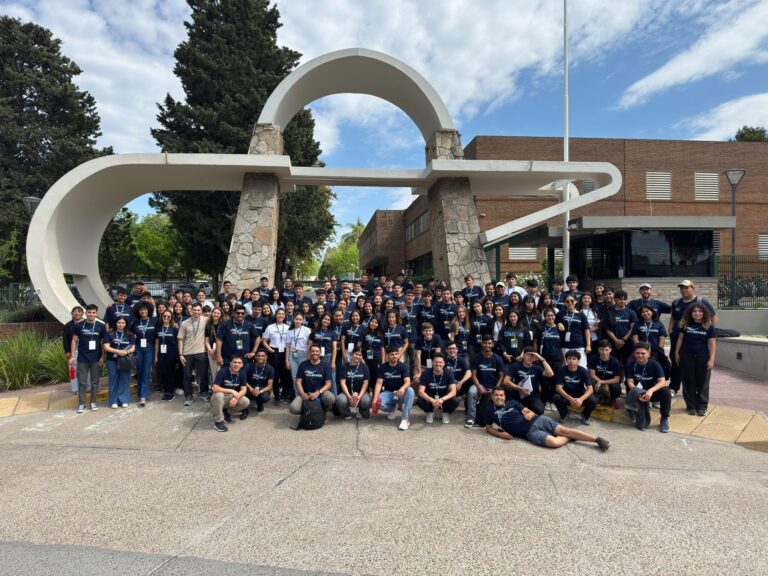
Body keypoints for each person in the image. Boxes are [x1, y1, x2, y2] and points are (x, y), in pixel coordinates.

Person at [485, 387, 611, 450]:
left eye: (501, 395)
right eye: (496, 395)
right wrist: (500, 434)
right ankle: (571, 437)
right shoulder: (489, 410)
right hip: (530, 433)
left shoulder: (512, 403)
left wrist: (529, 414)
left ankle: (597, 440)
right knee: (554, 443)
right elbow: (489, 428)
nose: (499, 397)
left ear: (505, 397)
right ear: (492, 396)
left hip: (539, 420)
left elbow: (529, 412)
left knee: (565, 430)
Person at [668, 280, 717, 397]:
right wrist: (670, 330)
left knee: (694, 365)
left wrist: (706, 332)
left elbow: (713, 318)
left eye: (686, 288)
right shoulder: (676, 303)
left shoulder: (701, 302)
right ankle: (673, 387)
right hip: (678, 339)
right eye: (682, 288)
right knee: (676, 362)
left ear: (693, 288)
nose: (684, 290)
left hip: (695, 341)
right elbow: (673, 318)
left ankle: (695, 389)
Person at [674, 304, 717, 417]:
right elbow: (680, 339)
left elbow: (712, 344)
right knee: (688, 381)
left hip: (703, 357)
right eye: (694, 311)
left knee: (703, 382)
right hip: (686, 356)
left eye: (699, 311)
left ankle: (702, 406)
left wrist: (712, 359)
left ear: (704, 313)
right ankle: (691, 406)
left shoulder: (709, 326)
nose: (697, 313)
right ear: (690, 313)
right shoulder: (686, 325)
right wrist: (676, 352)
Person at [625, 342, 671, 432]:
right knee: (629, 387)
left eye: (643, 353)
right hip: (639, 392)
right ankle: (633, 411)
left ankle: (664, 419)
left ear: (648, 354)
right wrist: (639, 392)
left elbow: (662, 382)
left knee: (666, 391)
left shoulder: (655, 364)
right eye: (637, 353)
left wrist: (651, 390)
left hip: (651, 393)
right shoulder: (630, 364)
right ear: (634, 354)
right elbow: (629, 382)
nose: (640, 355)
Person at [69, 304, 106, 413]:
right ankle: (81, 404)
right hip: (82, 358)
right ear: (86, 313)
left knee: (95, 382)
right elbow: (73, 341)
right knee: (82, 382)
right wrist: (72, 356)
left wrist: (102, 356)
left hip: (96, 358)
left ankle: (93, 402)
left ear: (96, 314)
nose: (91, 314)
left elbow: (104, 342)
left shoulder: (101, 326)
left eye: (93, 312)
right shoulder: (79, 325)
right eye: (89, 312)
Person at [466, 335, 506, 428]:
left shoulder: (498, 358)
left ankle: (499, 417)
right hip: (480, 384)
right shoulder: (476, 357)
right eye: (485, 343)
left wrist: (496, 389)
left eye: (489, 343)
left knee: (501, 395)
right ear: (481, 344)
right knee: (471, 392)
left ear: (492, 344)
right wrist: (479, 387)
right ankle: (471, 418)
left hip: (494, 385)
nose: (487, 345)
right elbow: (473, 375)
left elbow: (501, 376)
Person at [372, 347, 415, 431]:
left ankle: (405, 419)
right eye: (392, 354)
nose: (394, 356)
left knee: (410, 390)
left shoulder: (404, 366)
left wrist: (402, 388)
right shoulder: (383, 367)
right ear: (387, 356)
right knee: (378, 402)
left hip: (401, 393)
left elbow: (408, 381)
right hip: (389, 393)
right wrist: (374, 398)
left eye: (396, 354)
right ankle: (393, 408)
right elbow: (379, 383)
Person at [177, 302, 211, 406]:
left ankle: (204, 392)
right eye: (194, 310)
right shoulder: (184, 323)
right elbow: (180, 339)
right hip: (187, 353)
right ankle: (188, 395)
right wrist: (181, 354)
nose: (196, 312)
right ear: (190, 310)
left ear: (201, 311)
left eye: (198, 310)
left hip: (201, 352)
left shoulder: (206, 320)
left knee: (203, 374)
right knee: (187, 375)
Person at [289, 344, 335, 416]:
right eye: (313, 351)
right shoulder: (303, 365)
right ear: (310, 352)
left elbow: (329, 383)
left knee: (330, 398)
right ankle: (307, 413)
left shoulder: (326, 365)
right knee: (293, 408)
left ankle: (323, 412)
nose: (315, 353)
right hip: (306, 393)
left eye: (317, 351)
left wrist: (318, 392)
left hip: (320, 393)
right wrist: (303, 394)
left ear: (320, 352)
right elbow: (298, 382)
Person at [552, 350, 597, 425]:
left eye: (574, 359)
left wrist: (581, 399)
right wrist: (570, 398)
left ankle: (585, 416)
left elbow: (590, 389)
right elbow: (558, 388)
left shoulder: (583, 371)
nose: (571, 361)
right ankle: (565, 414)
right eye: (569, 359)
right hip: (567, 395)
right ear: (566, 360)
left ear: (578, 361)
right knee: (555, 397)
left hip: (580, 394)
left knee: (593, 400)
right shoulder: (561, 370)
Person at [504, 347, 553, 415]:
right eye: (528, 355)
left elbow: (550, 374)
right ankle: (520, 407)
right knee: (507, 389)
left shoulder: (537, 368)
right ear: (523, 355)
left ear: (535, 358)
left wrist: (541, 358)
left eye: (532, 356)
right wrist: (520, 388)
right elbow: (506, 381)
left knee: (540, 410)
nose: (530, 357)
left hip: (533, 394)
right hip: (518, 393)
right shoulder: (515, 366)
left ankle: (527, 408)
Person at [211, 354, 250, 432]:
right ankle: (218, 422)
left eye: (239, 363)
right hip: (219, 398)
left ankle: (224, 412)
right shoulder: (222, 371)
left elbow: (244, 389)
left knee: (246, 402)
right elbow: (214, 388)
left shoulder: (242, 373)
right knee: (219, 395)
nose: (236, 364)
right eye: (234, 362)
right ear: (230, 363)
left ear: (242, 365)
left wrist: (237, 397)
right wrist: (231, 390)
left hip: (232, 397)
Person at [416, 353, 458, 424]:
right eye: (436, 362)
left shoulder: (449, 373)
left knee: (455, 400)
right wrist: (432, 400)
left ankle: (445, 413)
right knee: (420, 401)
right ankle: (430, 412)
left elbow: (454, 391)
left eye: (440, 362)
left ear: (444, 363)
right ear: (432, 363)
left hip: (443, 396)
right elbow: (420, 391)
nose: (438, 364)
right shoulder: (426, 373)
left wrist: (442, 399)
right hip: (431, 396)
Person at [103, 316, 135, 409]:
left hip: (125, 360)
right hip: (112, 360)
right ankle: (113, 401)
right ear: (116, 323)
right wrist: (118, 352)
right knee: (113, 380)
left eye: (123, 323)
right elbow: (106, 347)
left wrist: (127, 352)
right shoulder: (109, 333)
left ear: (126, 324)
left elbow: (133, 347)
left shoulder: (129, 334)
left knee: (125, 379)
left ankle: (124, 400)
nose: (121, 324)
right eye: (119, 323)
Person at [262, 308, 292, 404]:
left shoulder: (288, 327)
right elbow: (264, 341)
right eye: (279, 314)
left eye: (282, 314)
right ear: (275, 315)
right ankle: (277, 397)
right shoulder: (270, 327)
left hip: (285, 353)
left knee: (286, 376)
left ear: (285, 316)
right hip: (273, 352)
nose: (280, 316)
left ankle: (284, 395)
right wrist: (270, 349)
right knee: (275, 375)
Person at [602, 290, 637, 369]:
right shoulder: (610, 312)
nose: (622, 301)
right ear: (615, 299)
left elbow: (633, 328)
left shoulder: (631, 312)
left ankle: (626, 380)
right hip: (613, 343)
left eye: (624, 299)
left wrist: (623, 339)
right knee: (614, 363)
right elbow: (607, 329)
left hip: (627, 342)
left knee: (627, 363)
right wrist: (616, 340)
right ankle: (615, 380)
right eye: (620, 299)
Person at [131, 302, 157, 406]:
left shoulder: (154, 321)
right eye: (141, 310)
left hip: (149, 347)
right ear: (138, 311)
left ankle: (143, 396)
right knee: (139, 370)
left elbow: (158, 336)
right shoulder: (135, 323)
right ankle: (141, 393)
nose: (143, 311)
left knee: (146, 371)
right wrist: (133, 336)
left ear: (149, 310)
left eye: (145, 309)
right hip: (138, 348)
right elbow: (130, 334)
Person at [336, 349, 372, 420]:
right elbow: (342, 383)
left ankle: (362, 412)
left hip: (361, 393)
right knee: (340, 399)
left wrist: (359, 397)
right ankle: (346, 413)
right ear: (351, 355)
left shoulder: (364, 367)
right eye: (356, 354)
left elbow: (365, 383)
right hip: (348, 392)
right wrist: (349, 397)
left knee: (367, 400)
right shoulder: (344, 366)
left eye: (360, 355)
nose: (358, 356)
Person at [556, 295, 590, 366]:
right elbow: (553, 324)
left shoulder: (581, 315)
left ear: (575, 302)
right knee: (566, 366)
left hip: (579, 345)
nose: (570, 303)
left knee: (581, 366)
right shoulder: (560, 314)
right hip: (565, 345)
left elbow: (586, 330)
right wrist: (558, 323)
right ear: (564, 303)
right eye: (567, 301)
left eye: (572, 301)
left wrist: (588, 345)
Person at [588, 339, 622, 408]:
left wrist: (603, 382)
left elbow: (616, 379)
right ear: (598, 350)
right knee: (590, 382)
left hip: (609, 382)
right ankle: (598, 398)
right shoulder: (593, 358)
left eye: (606, 350)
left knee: (616, 387)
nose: (604, 352)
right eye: (602, 349)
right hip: (597, 380)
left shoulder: (615, 362)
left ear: (610, 350)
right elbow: (592, 374)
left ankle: (612, 399)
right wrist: (600, 382)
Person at [155, 310, 180, 402]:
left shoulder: (175, 329)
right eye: (164, 316)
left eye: (168, 316)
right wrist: (156, 356)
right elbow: (157, 343)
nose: (166, 318)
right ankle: (166, 391)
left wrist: (179, 355)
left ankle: (170, 392)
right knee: (163, 373)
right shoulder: (158, 329)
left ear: (171, 318)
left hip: (172, 354)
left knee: (171, 373)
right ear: (161, 317)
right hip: (161, 355)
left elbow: (178, 343)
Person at [286, 313, 312, 394]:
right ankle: (298, 395)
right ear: (293, 320)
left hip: (303, 355)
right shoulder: (289, 331)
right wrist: (287, 360)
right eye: (296, 319)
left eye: (300, 320)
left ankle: (305, 394)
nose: (298, 321)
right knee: (294, 378)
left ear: (303, 321)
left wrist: (308, 357)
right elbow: (288, 346)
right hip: (292, 355)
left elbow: (309, 344)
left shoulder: (307, 330)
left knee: (304, 377)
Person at [245, 349, 274, 414]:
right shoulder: (248, 366)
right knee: (241, 391)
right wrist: (251, 389)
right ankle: (244, 409)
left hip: (262, 389)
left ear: (266, 357)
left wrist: (260, 391)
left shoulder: (270, 368)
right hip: (250, 388)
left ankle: (259, 404)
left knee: (264, 397)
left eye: (262, 356)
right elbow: (243, 380)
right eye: (258, 356)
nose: (260, 357)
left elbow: (270, 386)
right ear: (255, 357)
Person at [63, 305, 84, 395]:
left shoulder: (87, 323)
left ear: (83, 313)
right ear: (72, 313)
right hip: (73, 351)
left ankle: (86, 387)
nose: (77, 313)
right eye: (75, 311)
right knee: (73, 370)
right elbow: (65, 339)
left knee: (85, 370)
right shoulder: (68, 325)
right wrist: (67, 351)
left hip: (84, 350)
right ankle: (75, 388)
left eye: (79, 311)